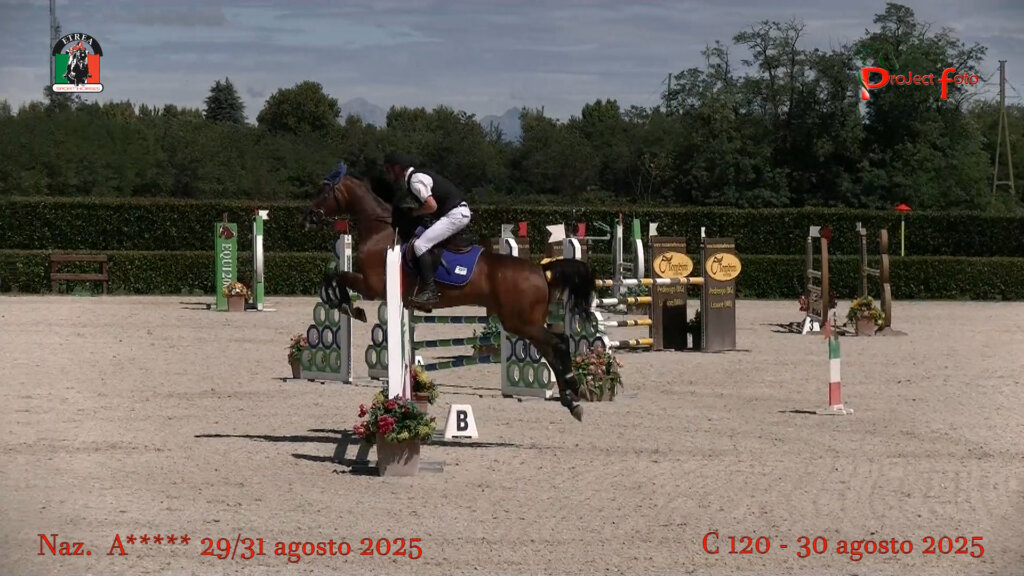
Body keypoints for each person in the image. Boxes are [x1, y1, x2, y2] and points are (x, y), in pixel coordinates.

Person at [382, 152, 472, 306]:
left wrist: (413, 212)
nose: (388, 174)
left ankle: (430, 290)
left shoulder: (415, 180)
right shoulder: (415, 178)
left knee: (420, 245)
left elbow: (431, 206)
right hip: (454, 212)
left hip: (455, 214)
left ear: (397, 168)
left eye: (389, 170)